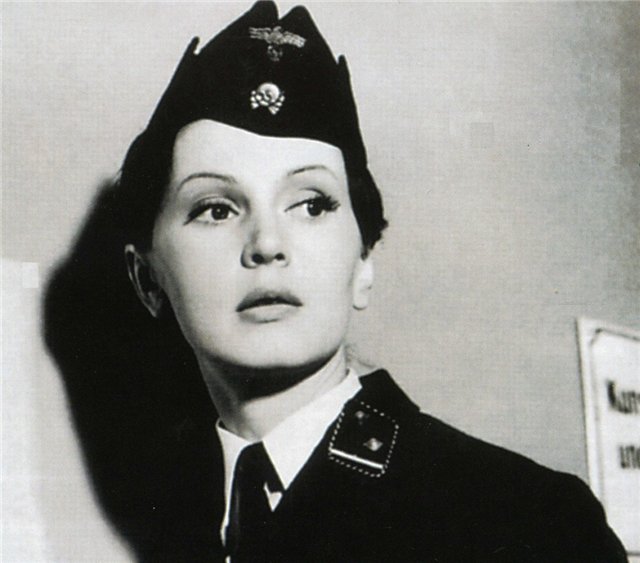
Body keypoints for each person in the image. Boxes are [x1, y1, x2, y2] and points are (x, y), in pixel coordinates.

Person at [44, 2, 627, 561]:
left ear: (363, 262)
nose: (267, 243)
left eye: (312, 204)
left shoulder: (524, 521)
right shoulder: (187, 528)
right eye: (216, 209)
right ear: (147, 279)